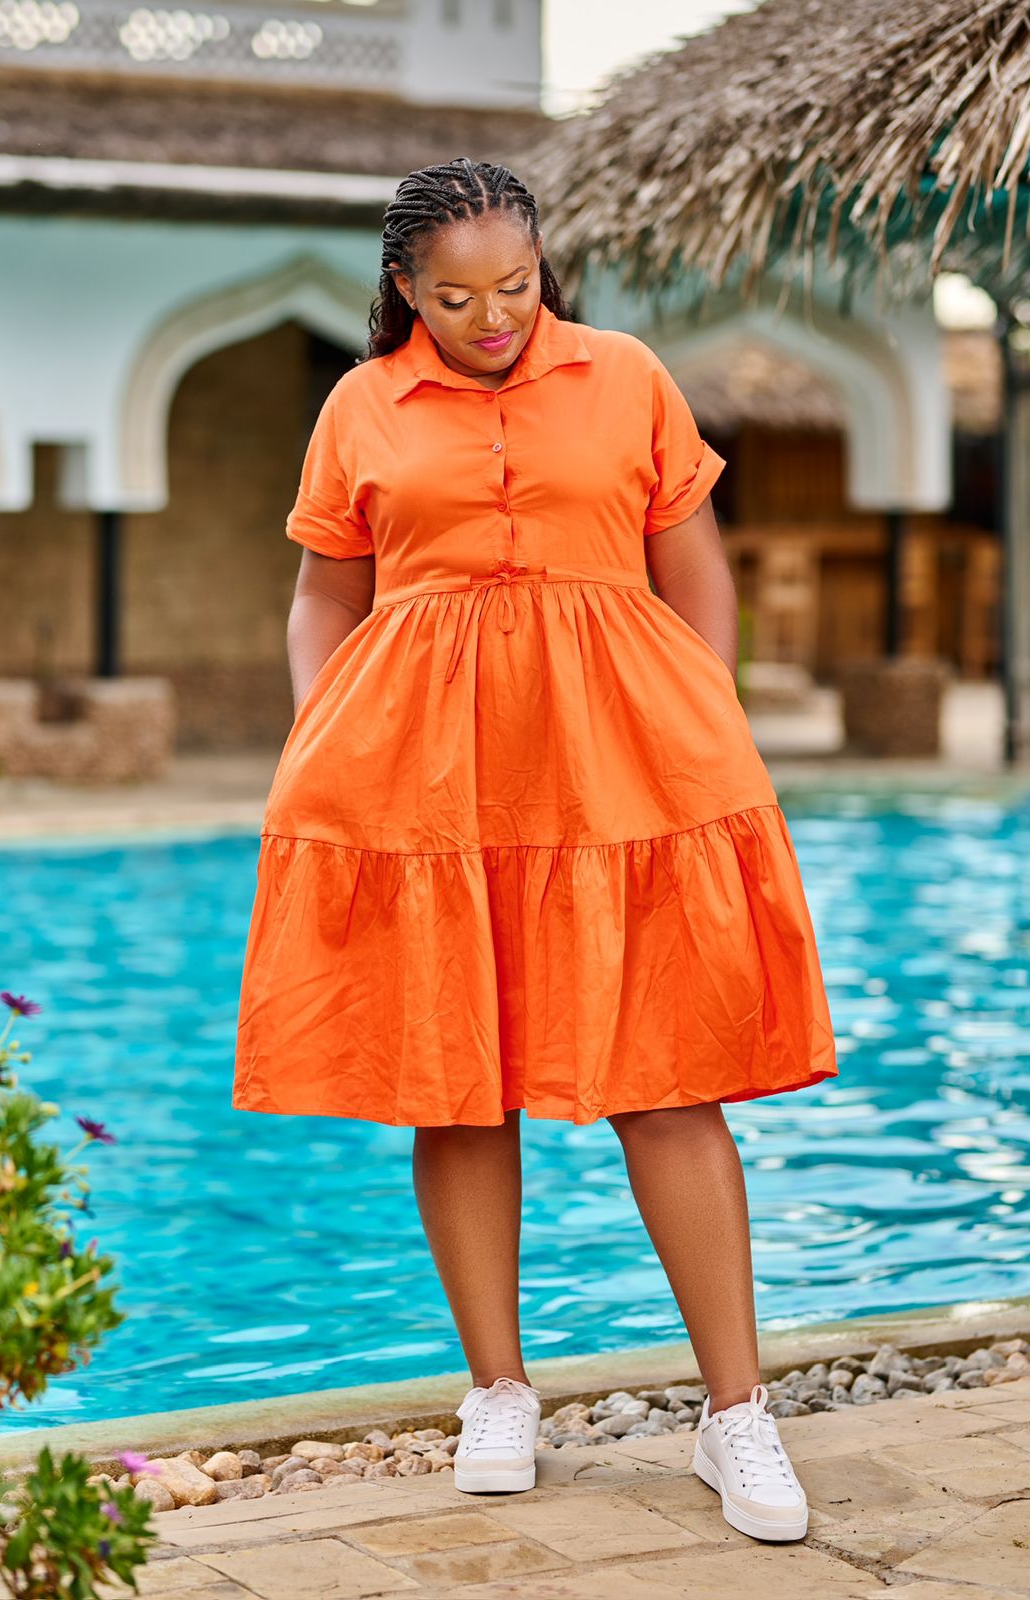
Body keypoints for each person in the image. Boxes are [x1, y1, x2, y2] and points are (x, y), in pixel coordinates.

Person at [233, 157, 838, 1544]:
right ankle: (498, 1387)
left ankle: (734, 1413)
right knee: (457, 1079)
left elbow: (696, 572)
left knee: (671, 1071)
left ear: (542, 262)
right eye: (456, 296)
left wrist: (707, 726)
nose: (493, 315)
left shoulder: (626, 375)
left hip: (627, 761)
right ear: (403, 291)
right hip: (422, 779)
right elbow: (324, 596)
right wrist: (331, 739)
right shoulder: (360, 405)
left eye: (515, 285)